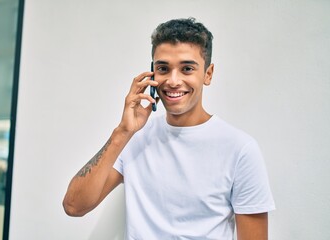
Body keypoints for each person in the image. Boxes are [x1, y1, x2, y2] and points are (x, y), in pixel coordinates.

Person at [63, 18, 275, 239]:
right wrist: (123, 132)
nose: (173, 81)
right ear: (152, 73)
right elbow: (74, 206)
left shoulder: (240, 149)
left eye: (187, 69)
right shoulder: (134, 138)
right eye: (163, 68)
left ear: (208, 74)